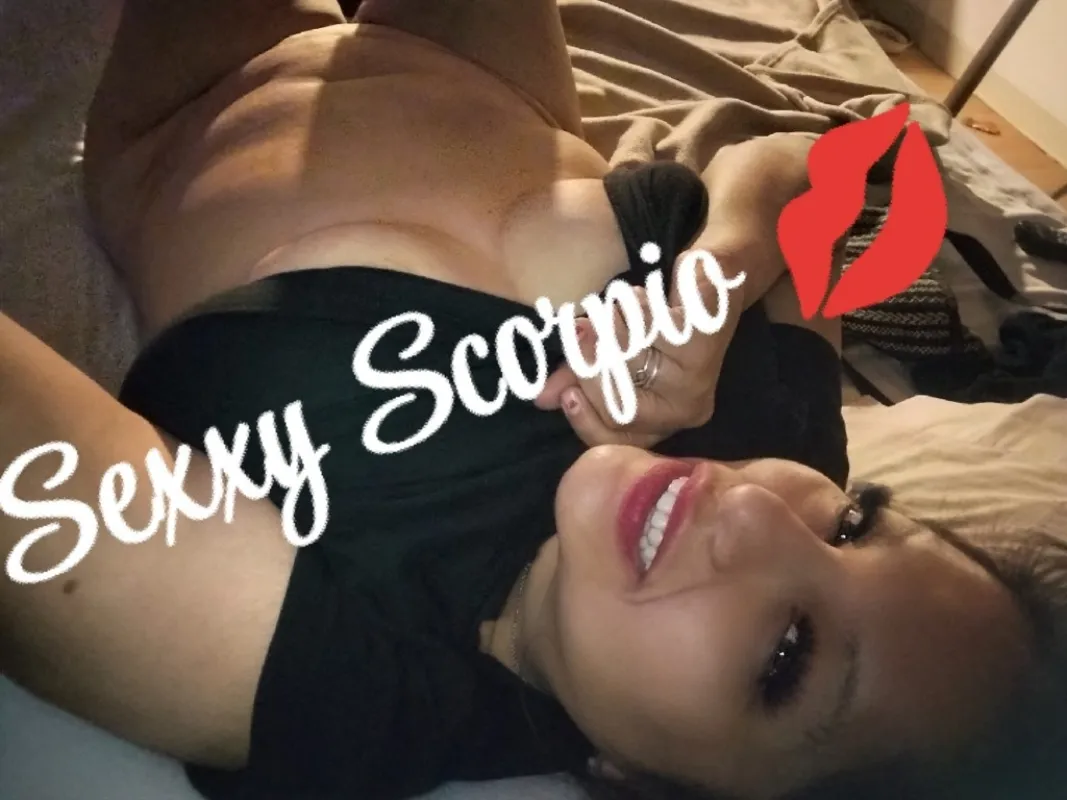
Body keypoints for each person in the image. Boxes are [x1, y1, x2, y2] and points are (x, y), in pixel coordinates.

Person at [1, 2, 1065, 800]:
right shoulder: (785, 447)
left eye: (786, 655)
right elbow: (802, 167)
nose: (753, 507)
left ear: (648, 785)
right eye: (855, 524)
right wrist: (724, 264)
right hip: (479, 64)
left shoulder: (363, 670)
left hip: (204, 96)